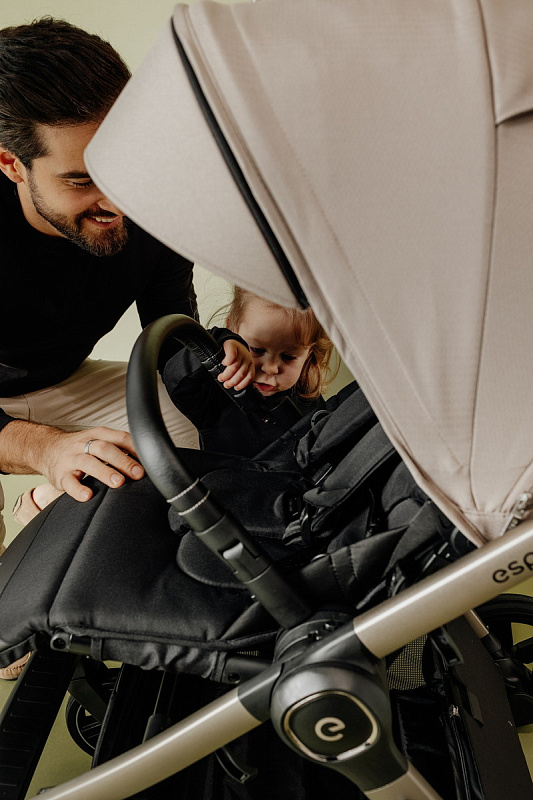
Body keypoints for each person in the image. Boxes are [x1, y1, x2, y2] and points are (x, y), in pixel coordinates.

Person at [0, 19, 200, 560]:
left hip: (63, 378)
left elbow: (170, 330)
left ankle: (55, 525)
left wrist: (229, 359)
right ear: (12, 164)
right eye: (81, 180)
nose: (117, 201)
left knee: (190, 443)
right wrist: (46, 450)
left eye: (121, 163)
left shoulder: (159, 200)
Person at [163, 287, 338, 457]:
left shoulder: (306, 393)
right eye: (257, 350)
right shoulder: (216, 390)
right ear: (232, 329)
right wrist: (218, 344)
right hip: (233, 475)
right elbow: (175, 378)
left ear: (308, 354)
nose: (271, 368)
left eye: (289, 357)